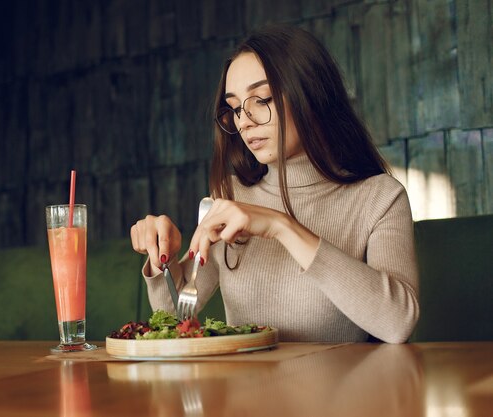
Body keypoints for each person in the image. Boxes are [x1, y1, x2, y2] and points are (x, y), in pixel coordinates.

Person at [130, 25, 419, 343]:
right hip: (242, 391)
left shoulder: (379, 198)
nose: (245, 121)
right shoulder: (231, 197)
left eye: (262, 99)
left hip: (338, 392)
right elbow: (175, 320)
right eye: (235, 107)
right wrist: (163, 261)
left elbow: (397, 323)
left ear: (310, 94)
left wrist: (281, 226)